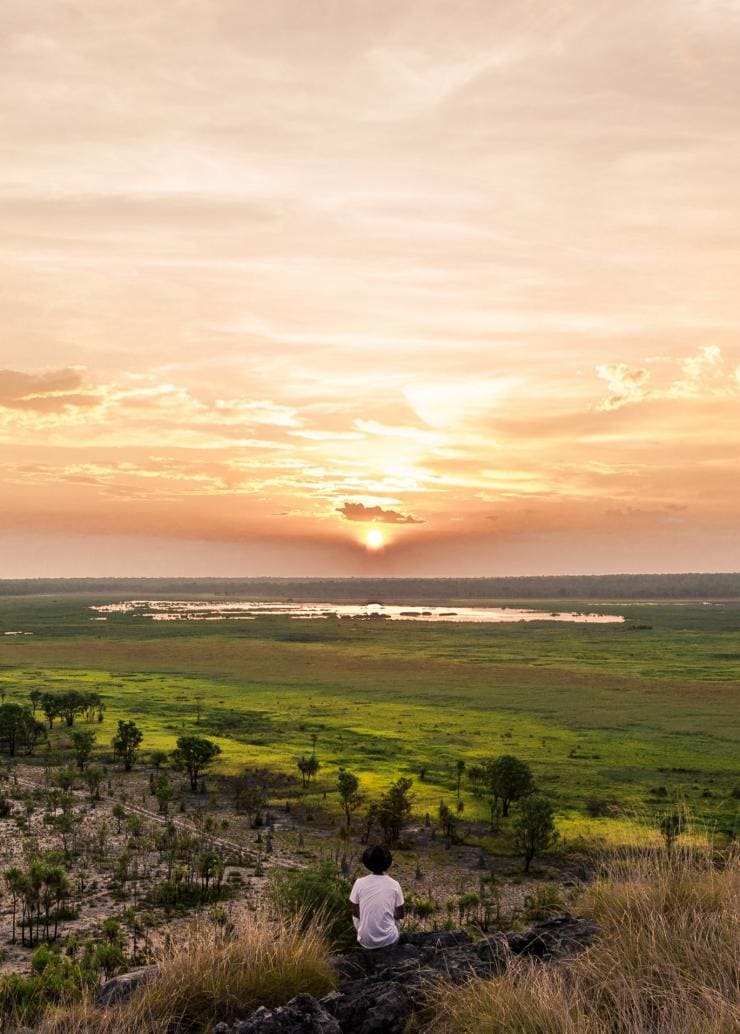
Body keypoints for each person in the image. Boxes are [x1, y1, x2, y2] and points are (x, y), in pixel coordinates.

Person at [349, 844, 405, 949]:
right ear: (387, 863)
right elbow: (401, 914)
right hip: (389, 941)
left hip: (366, 942)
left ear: (368, 863)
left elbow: (355, 912)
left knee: (355, 917)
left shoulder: (359, 883)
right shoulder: (395, 884)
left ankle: (364, 934)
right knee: (396, 919)